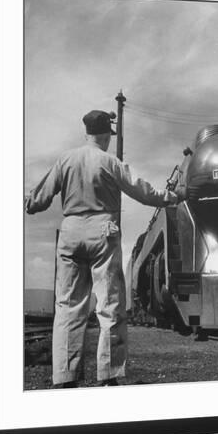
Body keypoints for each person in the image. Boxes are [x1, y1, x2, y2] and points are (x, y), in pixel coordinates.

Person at [26, 110, 181, 388]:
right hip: (103, 231)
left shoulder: (66, 159)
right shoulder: (110, 161)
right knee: (109, 306)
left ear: (87, 133)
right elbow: (142, 192)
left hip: (71, 231)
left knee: (68, 306)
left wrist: (30, 202)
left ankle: (65, 376)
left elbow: (39, 199)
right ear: (107, 135)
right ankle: (109, 374)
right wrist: (170, 197)